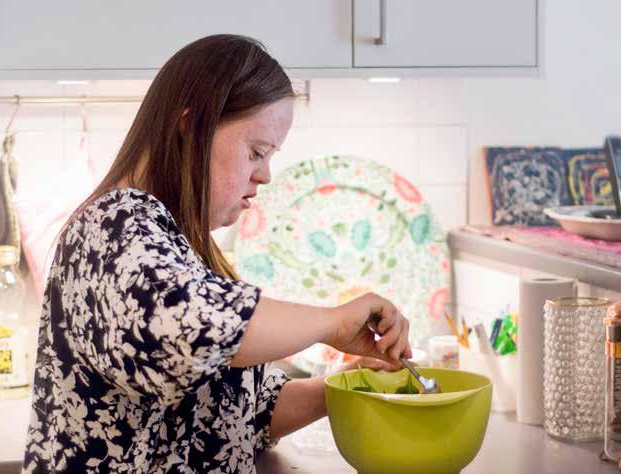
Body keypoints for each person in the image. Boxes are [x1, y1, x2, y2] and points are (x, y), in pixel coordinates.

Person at [23, 34, 412, 473]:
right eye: (257, 152)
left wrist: (352, 385)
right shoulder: (114, 226)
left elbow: (243, 412)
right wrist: (333, 322)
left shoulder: (173, 240)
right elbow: (191, 329)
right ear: (191, 128)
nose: (265, 174)